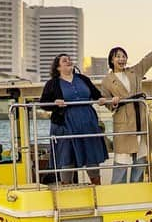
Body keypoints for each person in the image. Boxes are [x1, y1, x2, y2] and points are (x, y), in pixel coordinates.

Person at [100, 42, 152, 184]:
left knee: (141, 158)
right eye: (118, 56)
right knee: (122, 160)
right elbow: (105, 101)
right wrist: (112, 101)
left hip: (140, 120)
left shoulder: (135, 72)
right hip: (124, 123)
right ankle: (118, 191)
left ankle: (137, 189)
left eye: (123, 56)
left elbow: (147, 61)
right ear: (111, 60)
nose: (121, 59)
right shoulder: (107, 81)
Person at [40, 53, 108, 185]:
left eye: (70, 60)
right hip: (65, 125)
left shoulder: (83, 79)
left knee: (91, 156)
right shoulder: (52, 83)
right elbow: (44, 103)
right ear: (58, 67)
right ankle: (67, 189)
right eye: (65, 61)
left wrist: (100, 99)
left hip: (87, 123)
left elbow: (96, 94)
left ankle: (97, 189)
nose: (69, 62)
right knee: (67, 157)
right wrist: (55, 102)